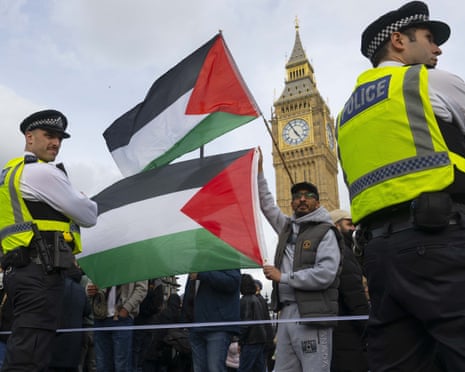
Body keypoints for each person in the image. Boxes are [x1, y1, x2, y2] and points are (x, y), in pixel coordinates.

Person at [336, 2, 465, 370]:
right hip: (443, 243)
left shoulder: (346, 114)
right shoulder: (427, 80)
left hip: (378, 260)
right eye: (429, 38)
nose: (437, 49)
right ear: (398, 41)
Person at [0, 109, 98, 371]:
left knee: (27, 348)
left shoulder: (9, 172)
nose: (55, 143)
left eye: (59, 138)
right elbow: (89, 214)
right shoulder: (42, 173)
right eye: (49, 135)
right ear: (29, 137)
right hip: (39, 274)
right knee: (30, 357)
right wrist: (79, 196)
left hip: (20, 272)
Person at [258, 150, 342, 372]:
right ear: (292, 202)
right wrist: (258, 173)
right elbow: (267, 206)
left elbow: (326, 274)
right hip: (285, 314)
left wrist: (283, 277)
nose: (302, 199)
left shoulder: (326, 232)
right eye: (297, 196)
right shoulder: (286, 227)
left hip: (312, 315)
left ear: (317, 202)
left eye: (308, 196)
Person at [329, 210, 369, 372]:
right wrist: (368, 325)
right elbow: (354, 294)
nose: (353, 228)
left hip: (337, 328)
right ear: (336, 227)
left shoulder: (336, 250)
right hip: (347, 330)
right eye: (349, 224)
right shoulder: (342, 252)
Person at [182, 269, 241, 372]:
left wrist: (202, 274)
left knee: (215, 368)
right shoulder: (197, 260)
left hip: (217, 324)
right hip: (195, 325)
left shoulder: (227, 255)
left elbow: (232, 282)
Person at [87, 280, 148, 372]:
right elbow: (91, 281)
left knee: (121, 364)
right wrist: (89, 289)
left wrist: (127, 308)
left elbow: (142, 288)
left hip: (122, 318)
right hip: (101, 316)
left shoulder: (135, 265)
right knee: (102, 364)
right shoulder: (103, 265)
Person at [49, 264, 91, 372]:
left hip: (53, 343)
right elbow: (87, 310)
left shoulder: (52, 288)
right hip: (74, 344)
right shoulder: (80, 290)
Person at [238, 273, 268, 372]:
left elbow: (246, 324)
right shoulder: (257, 299)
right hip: (260, 339)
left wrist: (240, 341)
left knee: (244, 368)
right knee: (259, 368)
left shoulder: (245, 300)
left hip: (250, 341)